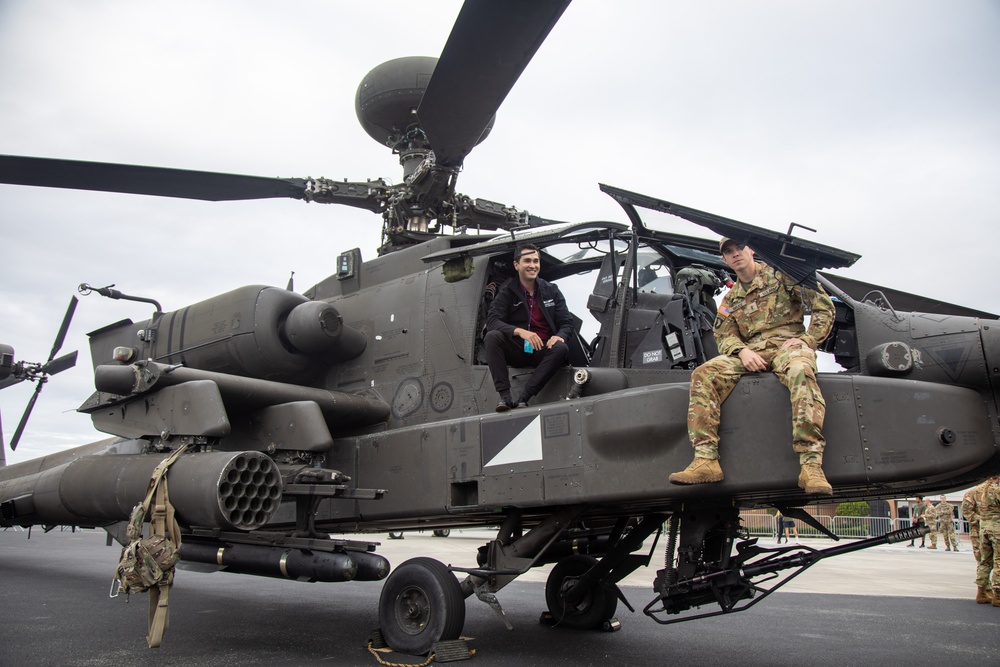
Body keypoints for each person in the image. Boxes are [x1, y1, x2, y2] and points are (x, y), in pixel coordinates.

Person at [668, 238, 837, 495]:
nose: (735, 255)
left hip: (786, 347)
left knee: (801, 370)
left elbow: (823, 307)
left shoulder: (781, 277)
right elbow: (723, 335)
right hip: (751, 353)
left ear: (751, 250)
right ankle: (706, 460)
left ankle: (811, 466)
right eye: (729, 252)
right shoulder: (731, 299)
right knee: (704, 374)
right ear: (724, 260)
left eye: (739, 249)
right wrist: (742, 351)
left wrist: (807, 340)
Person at [484, 244, 573, 411]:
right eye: (527, 261)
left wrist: (559, 336)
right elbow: (492, 321)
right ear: (516, 265)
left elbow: (566, 323)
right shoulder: (507, 291)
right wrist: (520, 332)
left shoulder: (551, 290)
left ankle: (524, 398)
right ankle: (505, 396)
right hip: (518, 348)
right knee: (492, 337)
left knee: (561, 348)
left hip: (542, 349)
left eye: (536, 261)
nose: (533, 265)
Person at [963, 482, 991, 603]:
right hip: (978, 532)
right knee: (983, 560)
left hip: (994, 532)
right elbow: (967, 512)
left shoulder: (996, 492)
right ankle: (985, 590)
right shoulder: (972, 493)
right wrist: (982, 520)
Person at [976, 475, 1000, 607]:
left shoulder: (978, 491)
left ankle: (982, 592)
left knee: (985, 561)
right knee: (999, 561)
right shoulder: (996, 490)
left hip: (983, 528)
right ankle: (998, 595)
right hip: (996, 528)